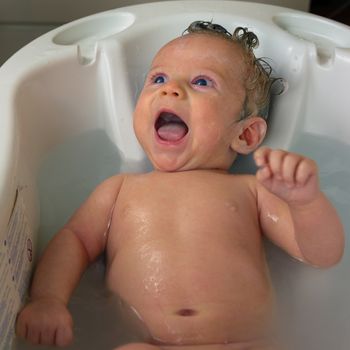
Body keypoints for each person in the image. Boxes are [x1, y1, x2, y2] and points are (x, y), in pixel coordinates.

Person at [16, 21, 344, 350]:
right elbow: (73, 242)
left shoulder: (251, 191)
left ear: (245, 134)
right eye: (158, 78)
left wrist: (305, 203)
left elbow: (319, 254)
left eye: (202, 82)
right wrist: (49, 299)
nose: (170, 89)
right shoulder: (118, 190)